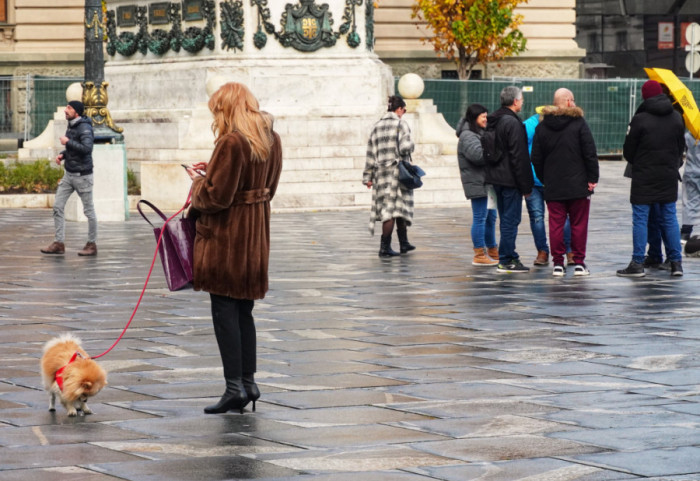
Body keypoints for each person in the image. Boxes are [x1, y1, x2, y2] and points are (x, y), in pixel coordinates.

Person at [187, 82, 283, 414]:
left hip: (226, 239)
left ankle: (234, 388)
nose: (216, 116)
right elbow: (269, 187)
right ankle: (249, 382)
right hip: (255, 235)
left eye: (217, 110)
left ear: (227, 108)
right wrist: (212, 171)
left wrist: (199, 181)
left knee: (224, 312)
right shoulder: (270, 138)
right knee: (244, 312)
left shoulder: (231, 142)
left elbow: (216, 197)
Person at [617, 80, 685, 277]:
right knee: (669, 218)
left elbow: (628, 152)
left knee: (640, 219)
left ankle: (637, 263)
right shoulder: (676, 118)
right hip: (668, 176)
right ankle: (676, 262)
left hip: (644, 178)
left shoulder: (640, 119)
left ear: (645, 96)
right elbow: (680, 148)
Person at [531, 88, 599, 277]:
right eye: (574, 99)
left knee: (555, 224)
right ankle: (579, 263)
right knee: (578, 224)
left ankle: (558, 264)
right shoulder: (579, 124)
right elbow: (590, 153)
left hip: (553, 186)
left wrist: (545, 178)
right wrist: (592, 178)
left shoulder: (542, 127)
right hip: (578, 186)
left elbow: (535, 157)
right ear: (568, 101)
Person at [484, 86, 534, 273]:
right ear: (515, 101)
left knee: (506, 218)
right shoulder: (512, 123)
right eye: (521, 99)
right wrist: (526, 185)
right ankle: (506, 259)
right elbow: (518, 157)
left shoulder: (493, 120)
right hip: (510, 179)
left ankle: (510, 254)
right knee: (510, 221)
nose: (522, 102)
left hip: (496, 178)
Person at [40, 100, 98, 256]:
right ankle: (59, 243)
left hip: (83, 176)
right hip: (69, 175)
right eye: (66, 107)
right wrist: (63, 155)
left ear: (77, 112)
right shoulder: (72, 125)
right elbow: (73, 149)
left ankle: (91, 244)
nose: (65, 110)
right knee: (57, 206)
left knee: (89, 211)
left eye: (69, 108)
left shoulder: (85, 127)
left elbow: (87, 149)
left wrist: (68, 142)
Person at [363, 95, 416, 257]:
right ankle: (384, 247)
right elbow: (405, 147)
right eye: (404, 110)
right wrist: (411, 144)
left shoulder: (376, 126)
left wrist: (368, 176)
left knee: (395, 208)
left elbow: (370, 153)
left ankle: (404, 243)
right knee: (391, 211)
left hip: (381, 174)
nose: (403, 113)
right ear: (399, 109)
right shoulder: (401, 125)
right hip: (397, 173)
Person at [456, 104, 498, 266]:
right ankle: (479, 253)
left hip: (488, 183)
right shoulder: (467, 135)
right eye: (483, 117)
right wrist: (495, 148)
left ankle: (493, 250)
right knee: (480, 217)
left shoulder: (479, 132)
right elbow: (478, 156)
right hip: (478, 183)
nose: (486, 119)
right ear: (475, 118)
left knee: (491, 218)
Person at [681, 131, 700, 244]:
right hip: (692, 173)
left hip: (692, 172)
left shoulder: (688, 136)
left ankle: (685, 232)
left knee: (690, 202)